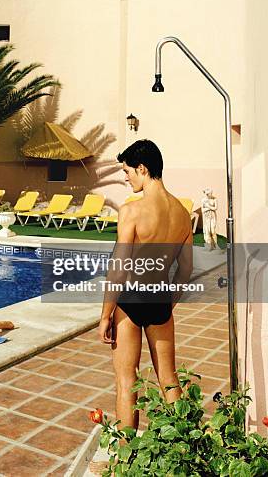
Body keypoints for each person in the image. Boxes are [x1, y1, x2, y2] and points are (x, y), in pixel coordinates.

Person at [98, 139, 193, 431]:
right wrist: (168, 302)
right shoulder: (182, 212)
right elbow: (186, 270)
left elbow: (118, 270)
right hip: (160, 300)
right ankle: (184, 449)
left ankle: (127, 462)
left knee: (127, 380)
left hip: (128, 303)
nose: (126, 178)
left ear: (142, 168)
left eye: (128, 171)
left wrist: (104, 316)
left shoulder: (132, 211)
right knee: (169, 377)